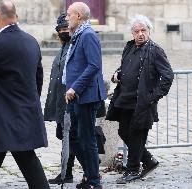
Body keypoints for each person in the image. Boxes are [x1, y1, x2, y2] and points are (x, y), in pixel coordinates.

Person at [106, 14, 174, 184]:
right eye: (137, 31)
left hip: (142, 103)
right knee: (123, 132)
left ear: (149, 31)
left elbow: (168, 76)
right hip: (125, 100)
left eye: (143, 30)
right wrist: (117, 74)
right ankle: (149, 161)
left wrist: (153, 97)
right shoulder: (129, 47)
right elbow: (125, 67)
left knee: (136, 135)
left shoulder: (155, 50)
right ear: (132, 33)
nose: (140, 34)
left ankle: (133, 169)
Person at [0, 1, 49, 188]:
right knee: (30, 163)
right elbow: (38, 80)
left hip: (1, 121)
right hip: (24, 116)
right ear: (15, 16)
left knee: (28, 162)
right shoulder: (32, 42)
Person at [64, 2, 106, 189]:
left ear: (78, 16)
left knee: (87, 138)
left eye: (69, 15)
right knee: (76, 136)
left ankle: (94, 181)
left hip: (85, 95)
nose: (66, 18)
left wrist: (75, 88)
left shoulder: (88, 35)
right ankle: (90, 174)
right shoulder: (78, 35)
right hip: (77, 96)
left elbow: (94, 65)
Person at [44, 13, 82, 185]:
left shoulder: (75, 46)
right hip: (60, 102)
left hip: (71, 102)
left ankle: (73, 172)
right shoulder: (63, 47)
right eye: (60, 29)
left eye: (66, 28)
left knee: (71, 138)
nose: (63, 32)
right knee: (65, 137)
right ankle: (69, 172)